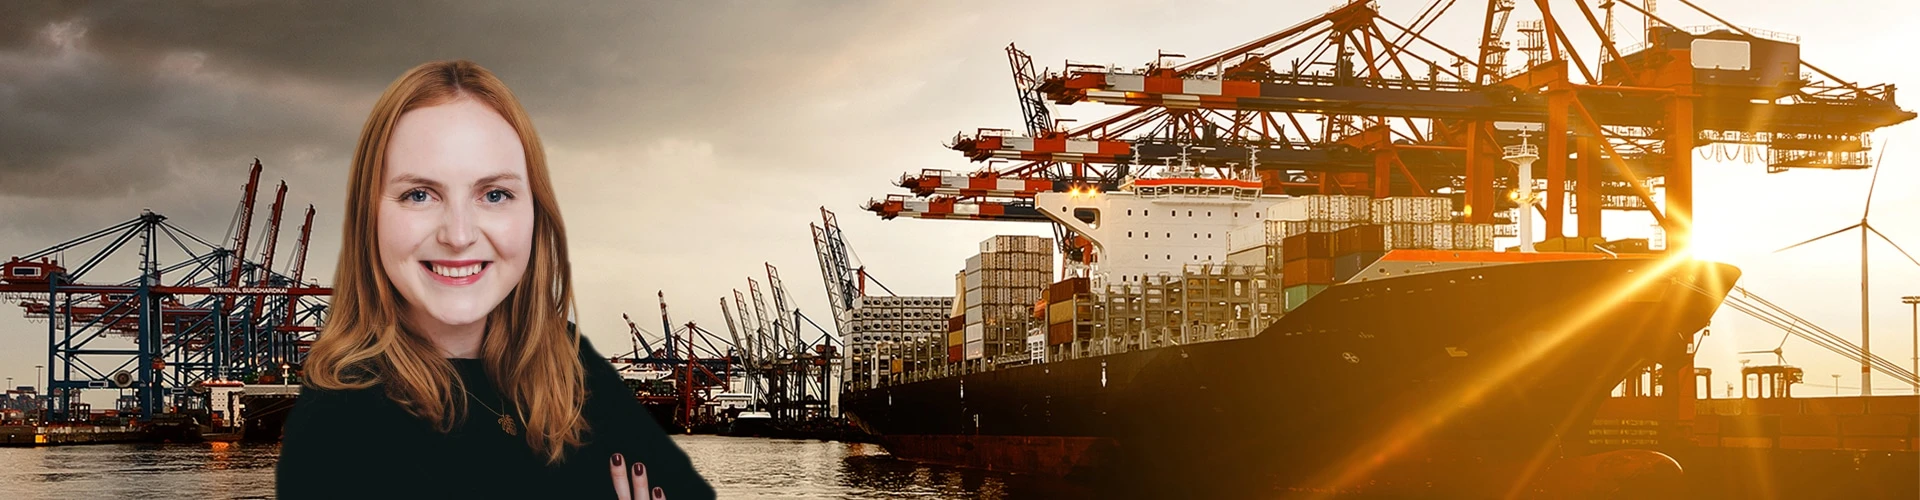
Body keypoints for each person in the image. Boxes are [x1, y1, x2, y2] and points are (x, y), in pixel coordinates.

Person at [276, 60, 713, 500]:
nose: (459, 235)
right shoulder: (340, 418)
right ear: (368, 218)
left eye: (495, 194)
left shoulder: (565, 357)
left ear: (535, 214)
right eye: (420, 195)